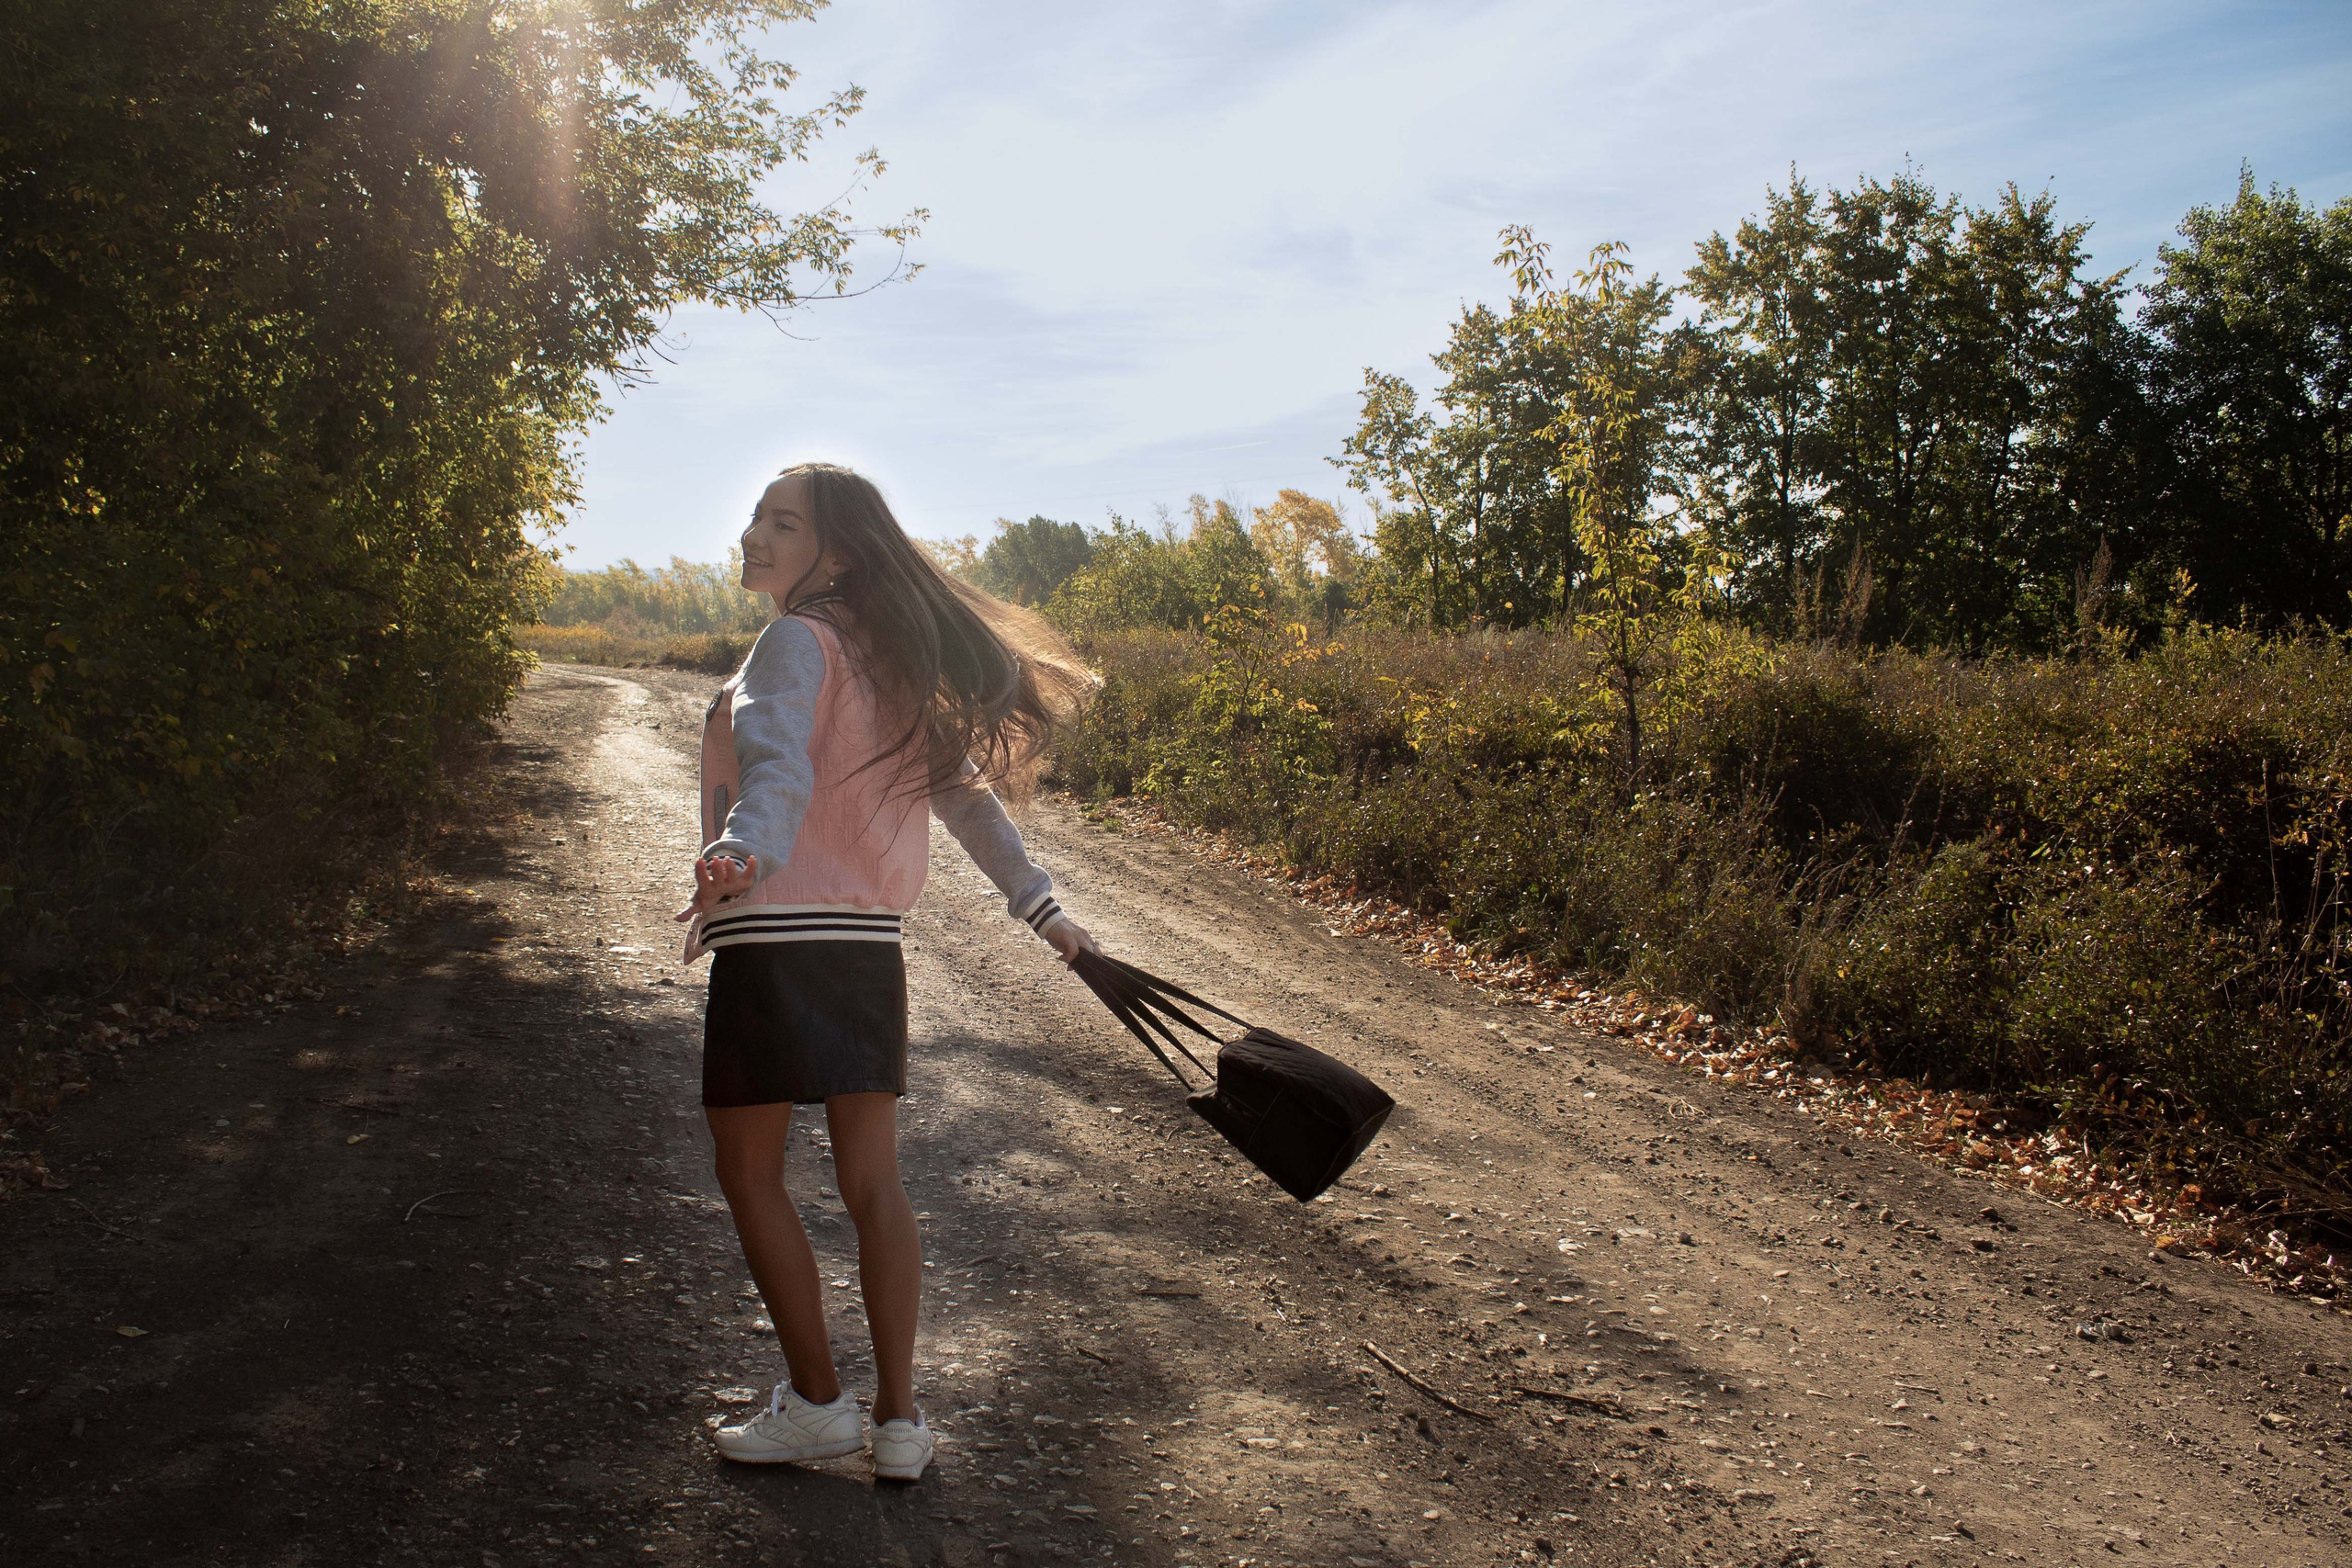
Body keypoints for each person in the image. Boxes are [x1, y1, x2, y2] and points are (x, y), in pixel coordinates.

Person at [674, 462, 1099, 1481]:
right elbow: (967, 801)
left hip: (775, 940)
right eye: (755, 515)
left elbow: (779, 771)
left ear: (841, 552)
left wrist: (745, 855)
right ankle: (902, 1423)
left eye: (782, 523)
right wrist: (1040, 906)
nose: (753, 535)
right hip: (868, 953)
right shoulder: (892, 661)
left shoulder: (792, 642)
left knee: (749, 1173)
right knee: (875, 1185)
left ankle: (820, 1404)